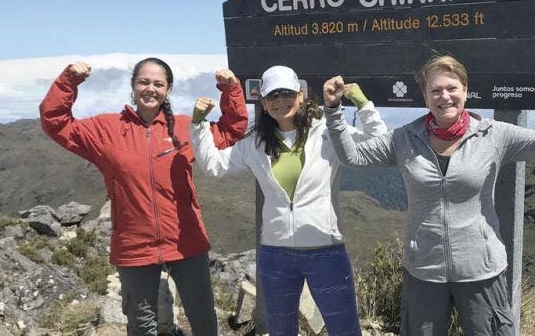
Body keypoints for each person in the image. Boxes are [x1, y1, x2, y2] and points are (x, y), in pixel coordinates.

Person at [322, 56, 535, 336]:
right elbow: (352, 156)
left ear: (465, 90)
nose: (445, 96)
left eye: (452, 88)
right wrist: (334, 110)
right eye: (435, 90)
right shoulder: (404, 138)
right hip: (424, 270)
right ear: (425, 97)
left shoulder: (494, 135)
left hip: (482, 270)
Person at [39, 58, 248, 336]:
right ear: (133, 86)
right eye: (144, 82)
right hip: (133, 244)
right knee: (141, 325)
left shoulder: (187, 127)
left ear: (168, 89)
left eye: (158, 84)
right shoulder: (106, 130)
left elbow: (231, 129)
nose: (150, 89)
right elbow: (55, 122)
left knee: (204, 321)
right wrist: (69, 80)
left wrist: (230, 88)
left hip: (185, 239)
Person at [190, 65, 387, 336]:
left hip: (325, 250)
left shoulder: (329, 132)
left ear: (301, 95)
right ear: (263, 103)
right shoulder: (255, 142)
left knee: (344, 329)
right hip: (275, 253)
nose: (280, 101)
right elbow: (213, 165)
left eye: (286, 93)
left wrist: (361, 102)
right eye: (273, 96)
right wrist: (199, 123)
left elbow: (380, 144)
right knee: (281, 330)